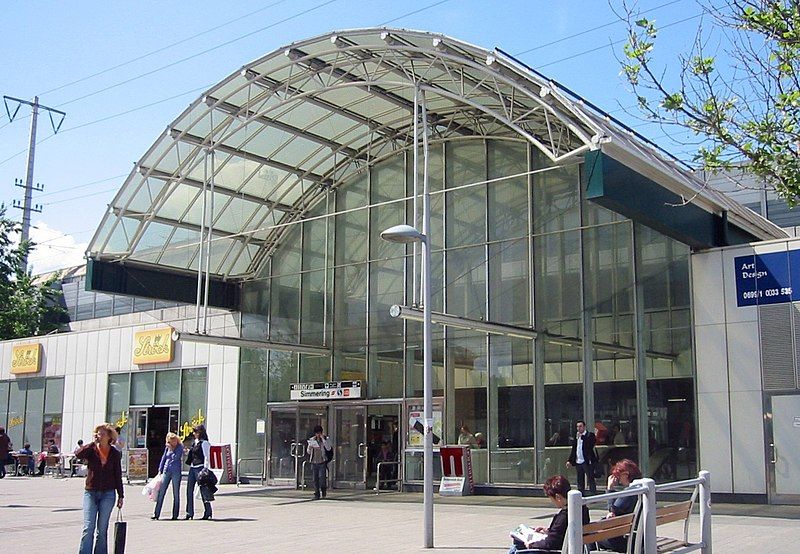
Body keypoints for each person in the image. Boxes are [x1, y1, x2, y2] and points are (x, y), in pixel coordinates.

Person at [508, 475, 589, 553]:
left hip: (558, 550)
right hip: (570, 547)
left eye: (551, 498)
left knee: (518, 544)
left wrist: (532, 545)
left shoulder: (565, 516)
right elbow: (560, 533)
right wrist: (547, 531)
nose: (552, 502)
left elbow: (550, 543)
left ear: (558, 497)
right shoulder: (581, 509)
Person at [76, 423, 124, 554]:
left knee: (102, 529)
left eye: (102, 433)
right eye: (98, 433)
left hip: (108, 493)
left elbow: (117, 474)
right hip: (90, 492)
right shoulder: (92, 450)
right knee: (88, 527)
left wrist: (121, 495)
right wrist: (92, 443)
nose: (99, 436)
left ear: (109, 436)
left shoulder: (114, 453)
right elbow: (78, 454)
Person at [595, 459, 643, 552]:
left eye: (618, 476)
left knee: (590, 537)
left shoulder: (629, 493)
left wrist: (609, 488)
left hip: (627, 542)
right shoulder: (641, 489)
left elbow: (612, 511)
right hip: (640, 538)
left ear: (626, 474)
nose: (619, 480)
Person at [152, 432, 184, 520]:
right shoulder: (167, 447)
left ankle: (175, 515)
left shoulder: (180, 447)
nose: (171, 443)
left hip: (176, 472)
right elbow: (164, 458)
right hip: (166, 470)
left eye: (173, 441)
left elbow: (176, 457)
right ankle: (156, 513)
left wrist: (172, 449)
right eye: (169, 441)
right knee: (161, 492)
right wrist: (160, 469)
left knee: (176, 493)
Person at [185, 424, 212, 520]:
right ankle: (189, 512)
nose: (194, 434)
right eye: (194, 432)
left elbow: (207, 457)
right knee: (189, 490)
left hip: (200, 468)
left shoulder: (204, 443)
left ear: (200, 432)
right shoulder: (195, 442)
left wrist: (205, 469)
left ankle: (208, 511)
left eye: (196, 432)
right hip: (193, 467)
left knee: (203, 490)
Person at [566, 420, 598, 495]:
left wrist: (582, 437)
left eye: (580, 426)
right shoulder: (576, 436)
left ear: (584, 427)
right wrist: (570, 460)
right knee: (580, 479)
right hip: (578, 460)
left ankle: (593, 493)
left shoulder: (590, 435)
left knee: (590, 478)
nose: (578, 428)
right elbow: (574, 449)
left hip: (587, 460)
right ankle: (581, 494)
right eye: (577, 426)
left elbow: (590, 445)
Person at [307, 424, 332, 500]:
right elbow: (308, 452)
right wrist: (310, 447)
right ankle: (316, 493)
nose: (318, 435)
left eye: (319, 433)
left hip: (322, 461)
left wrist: (323, 439)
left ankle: (323, 489)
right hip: (314, 461)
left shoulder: (326, 439)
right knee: (315, 479)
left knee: (322, 478)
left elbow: (328, 448)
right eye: (317, 433)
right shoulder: (312, 440)